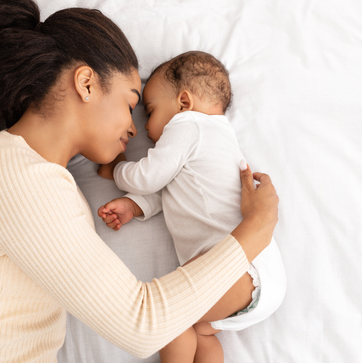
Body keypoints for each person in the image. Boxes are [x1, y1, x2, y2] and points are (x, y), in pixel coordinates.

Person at [0, 0, 278, 362]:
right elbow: (141, 324)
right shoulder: (14, 176)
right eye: (130, 102)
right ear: (86, 83)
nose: (135, 128)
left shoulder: (1, 168)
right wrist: (257, 229)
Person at [96, 51, 286, 363]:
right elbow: (174, 191)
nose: (145, 129)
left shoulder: (188, 126)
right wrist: (135, 206)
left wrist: (117, 169)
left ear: (184, 102)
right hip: (262, 276)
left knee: (170, 316)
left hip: (241, 270)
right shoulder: (219, 140)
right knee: (199, 332)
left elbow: (149, 176)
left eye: (151, 111)